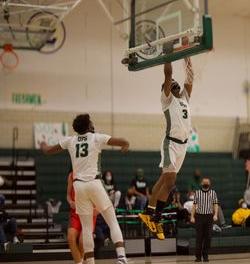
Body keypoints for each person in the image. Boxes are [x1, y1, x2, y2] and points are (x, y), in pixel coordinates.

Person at [40, 114, 129, 264]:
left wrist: (42, 144)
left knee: (87, 228)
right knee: (112, 221)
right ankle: (121, 257)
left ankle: (90, 262)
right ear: (89, 126)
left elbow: (47, 150)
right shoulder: (96, 138)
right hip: (94, 183)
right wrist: (125, 145)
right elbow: (123, 141)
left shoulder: (70, 140)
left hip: (79, 186)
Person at [139, 58, 193, 240]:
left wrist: (188, 57)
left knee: (164, 180)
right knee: (170, 182)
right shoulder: (167, 100)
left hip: (183, 146)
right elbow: (168, 74)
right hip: (170, 143)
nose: (175, 86)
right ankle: (156, 219)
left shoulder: (184, 98)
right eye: (171, 86)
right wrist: (168, 57)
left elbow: (190, 78)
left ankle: (149, 211)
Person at [190, 178, 218, 262]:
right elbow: (194, 205)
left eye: (207, 182)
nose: (205, 183)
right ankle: (198, 257)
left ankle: (205, 256)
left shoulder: (213, 193)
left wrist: (215, 214)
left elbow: (215, 204)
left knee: (208, 237)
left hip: (209, 217)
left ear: (209, 184)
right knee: (199, 237)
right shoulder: (197, 193)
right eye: (204, 182)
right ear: (201, 184)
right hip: (199, 216)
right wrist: (192, 216)